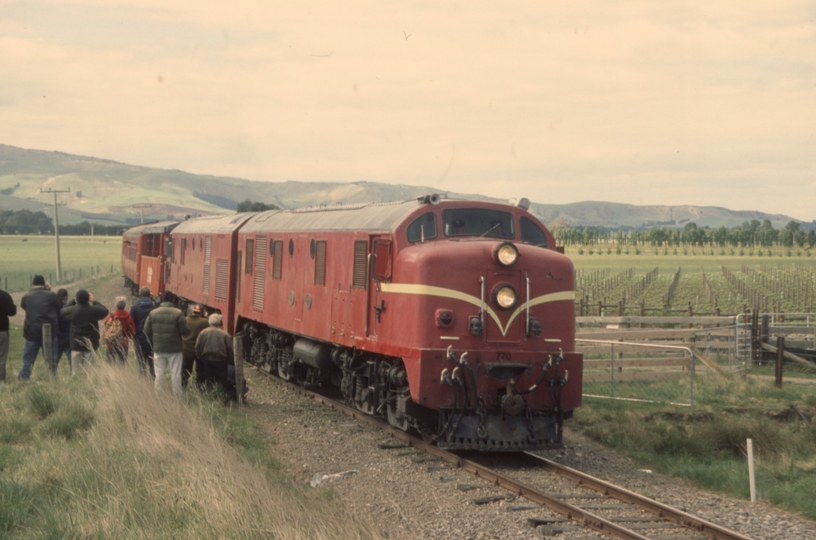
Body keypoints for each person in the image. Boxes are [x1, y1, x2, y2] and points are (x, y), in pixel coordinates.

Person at [144, 291, 189, 396]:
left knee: (159, 373)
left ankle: (158, 394)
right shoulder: (178, 313)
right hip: (175, 349)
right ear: (173, 300)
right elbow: (185, 331)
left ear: (161, 299)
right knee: (176, 374)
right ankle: (177, 394)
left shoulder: (153, 313)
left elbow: (146, 330)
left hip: (159, 348)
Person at [19, 275, 61, 380]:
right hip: (50, 332)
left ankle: (23, 380)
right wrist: (49, 290)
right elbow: (59, 306)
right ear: (44, 284)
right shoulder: (51, 295)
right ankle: (51, 379)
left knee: (28, 361)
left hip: (31, 332)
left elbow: (24, 306)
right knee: (51, 360)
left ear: (33, 284)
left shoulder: (27, 296)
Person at [62, 290, 109, 374]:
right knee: (91, 373)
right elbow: (105, 311)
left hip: (76, 345)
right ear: (88, 299)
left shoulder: (72, 310)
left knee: (76, 374)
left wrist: (73, 300)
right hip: (90, 344)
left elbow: (63, 310)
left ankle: (76, 386)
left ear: (77, 299)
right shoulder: (94, 310)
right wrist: (94, 301)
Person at [194, 313, 233, 395]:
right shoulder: (225, 334)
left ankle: (210, 395)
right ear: (220, 322)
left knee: (209, 379)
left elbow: (197, 347)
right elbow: (230, 349)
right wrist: (229, 359)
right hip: (221, 361)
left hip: (207, 360)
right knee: (221, 380)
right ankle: (221, 395)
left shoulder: (203, 333)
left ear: (209, 322)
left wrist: (200, 357)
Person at [130, 286, 158, 378]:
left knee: (141, 361)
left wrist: (133, 336)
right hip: (152, 337)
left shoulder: (134, 307)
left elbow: (131, 323)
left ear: (139, 294)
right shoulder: (154, 305)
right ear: (150, 294)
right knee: (152, 361)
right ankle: (153, 381)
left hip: (139, 337)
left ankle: (142, 381)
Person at [182, 304, 209, 388]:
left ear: (192, 312)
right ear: (202, 313)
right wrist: (206, 317)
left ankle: (182, 385)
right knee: (200, 371)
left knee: (185, 370)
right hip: (199, 351)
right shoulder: (204, 321)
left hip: (186, 350)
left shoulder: (185, 320)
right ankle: (199, 387)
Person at [103, 296, 137, 365]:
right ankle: (120, 375)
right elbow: (132, 332)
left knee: (110, 364)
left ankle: (109, 375)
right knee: (121, 364)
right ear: (124, 305)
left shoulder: (110, 316)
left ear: (116, 304)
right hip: (123, 343)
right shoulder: (128, 317)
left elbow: (106, 325)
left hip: (111, 343)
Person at [52, 288, 72, 375]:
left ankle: (52, 377)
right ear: (66, 297)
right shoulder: (70, 309)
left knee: (54, 361)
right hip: (68, 337)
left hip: (57, 337)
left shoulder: (53, 309)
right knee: (72, 361)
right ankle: (74, 377)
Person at [0, 286, 17, 382]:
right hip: (2, 329)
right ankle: (1, 381)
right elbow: (12, 312)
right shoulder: (4, 295)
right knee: (1, 358)